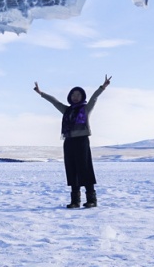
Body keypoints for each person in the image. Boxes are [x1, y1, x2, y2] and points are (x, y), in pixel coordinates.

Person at [34, 75, 112, 208]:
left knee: (85, 168)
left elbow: (94, 98)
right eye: (73, 95)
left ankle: (91, 199)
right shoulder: (67, 110)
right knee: (72, 169)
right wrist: (41, 93)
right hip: (69, 141)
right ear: (70, 97)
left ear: (82, 97)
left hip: (82, 141)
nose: (75, 97)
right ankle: (75, 201)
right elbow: (55, 102)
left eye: (78, 94)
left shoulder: (85, 109)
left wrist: (102, 87)